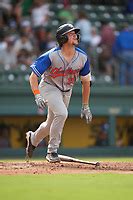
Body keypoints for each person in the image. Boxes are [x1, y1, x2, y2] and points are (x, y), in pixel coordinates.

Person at [26, 23, 92, 163]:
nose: (75, 35)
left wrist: (85, 105)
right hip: (48, 87)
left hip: (67, 91)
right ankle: (52, 151)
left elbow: (86, 82)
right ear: (62, 38)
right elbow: (33, 76)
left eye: (75, 33)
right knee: (62, 114)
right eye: (71, 33)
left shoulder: (83, 57)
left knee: (50, 125)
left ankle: (33, 138)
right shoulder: (51, 55)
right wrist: (37, 94)